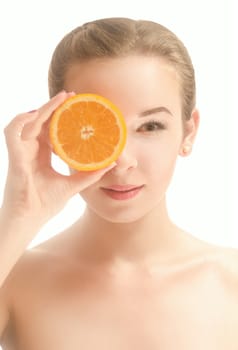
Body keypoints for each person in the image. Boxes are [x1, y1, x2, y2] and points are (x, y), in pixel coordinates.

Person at [0, 17, 237, 349]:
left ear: (189, 131)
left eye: (150, 126)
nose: (122, 161)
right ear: (56, 131)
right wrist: (17, 217)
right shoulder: (13, 279)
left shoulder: (231, 282)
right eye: (93, 127)